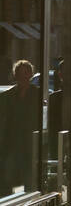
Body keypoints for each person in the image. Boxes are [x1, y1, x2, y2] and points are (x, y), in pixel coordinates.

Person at [0, 59, 42, 196]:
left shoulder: (37, 94)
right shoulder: (7, 95)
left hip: (30, 143)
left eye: (26, 73)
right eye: (20, 73)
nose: (23, 76)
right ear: (15, 75)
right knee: (8, 176)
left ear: (30, 74)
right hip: (11, 143)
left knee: (30, 178)